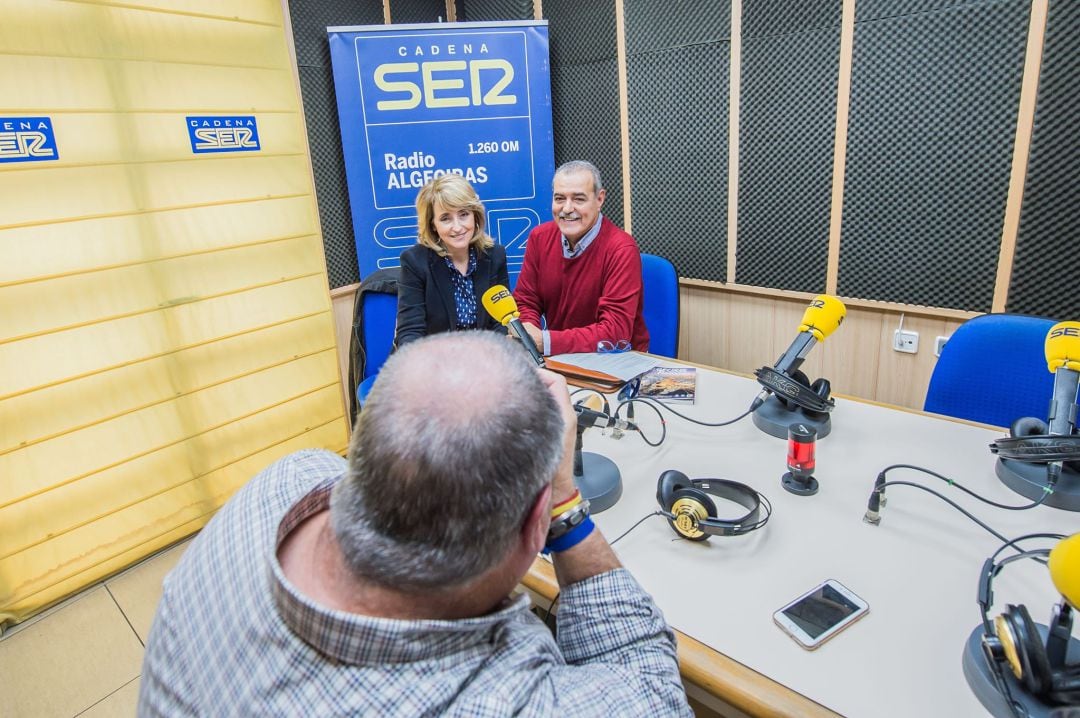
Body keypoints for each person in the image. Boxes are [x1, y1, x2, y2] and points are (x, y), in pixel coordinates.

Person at [137, 331, 691, 716]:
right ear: (533, 530)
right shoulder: (512, 701)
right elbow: (649, 683)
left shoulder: (287, 478)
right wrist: (563, 502)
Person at [513, 160, 649, 356]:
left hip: (616, 360)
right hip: (561, 357)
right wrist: (529, 337)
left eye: (578, 199)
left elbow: (615, 333)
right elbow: (526, 301)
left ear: (600, 199)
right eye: (560, 198)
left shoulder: (621, 249)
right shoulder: (539, 238)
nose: (567, 208)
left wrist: (546, 341)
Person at [395, 173, 509, 348]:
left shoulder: (495, 256)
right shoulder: (415, 262)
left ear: (475, 215)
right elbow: (410, 333)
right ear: (433, 224)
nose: (457, 227)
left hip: (483, 360)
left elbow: (500, 324)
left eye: (463, 214)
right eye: (445, 218)